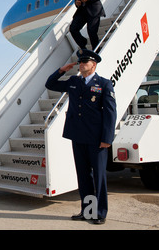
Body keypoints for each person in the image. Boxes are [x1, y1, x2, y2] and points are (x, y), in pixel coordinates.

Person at [45, 49, 117, 224]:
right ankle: (88, 211)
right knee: (83, 177)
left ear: (94, 64)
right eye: (81, 61)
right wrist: (62, 69)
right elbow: (50, 84)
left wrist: (107, 139)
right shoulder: (73, 81)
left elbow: (110, 114)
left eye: (86, 61)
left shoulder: (104, 84)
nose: (82, 63)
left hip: (96, 139)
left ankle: (99, 213)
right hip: (78, 136)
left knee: (99, 176)